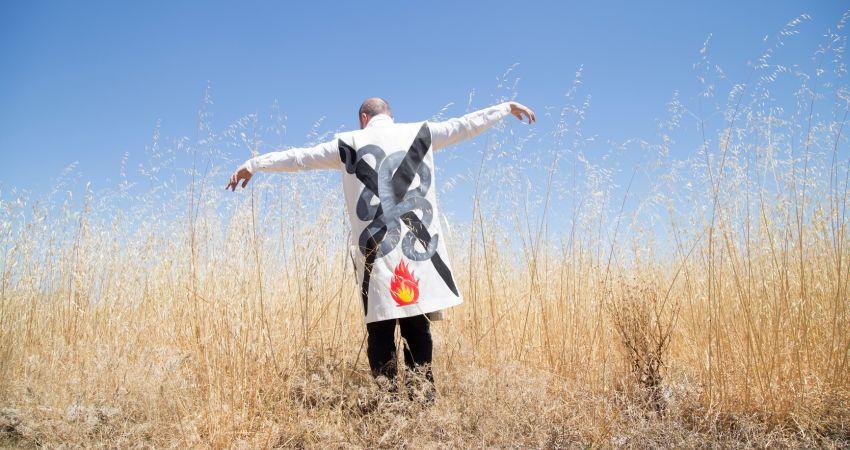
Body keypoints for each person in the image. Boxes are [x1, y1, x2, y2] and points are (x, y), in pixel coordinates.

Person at [226, 97, 535, 400]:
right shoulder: (420, 132)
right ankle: (422, 398)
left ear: (363, 118)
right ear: (390, 114)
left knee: (380, 330)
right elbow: (465, 126)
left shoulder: (348, 143)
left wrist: (254, 165)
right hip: (417, 255)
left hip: (376, 257)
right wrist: (505, 107)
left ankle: (385, 401)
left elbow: (299, 159)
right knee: (417, 328)